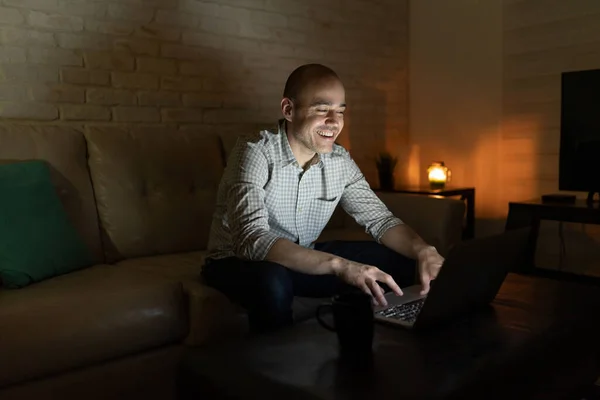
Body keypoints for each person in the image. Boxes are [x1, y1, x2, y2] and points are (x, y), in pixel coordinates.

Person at [202, 64, 444, 333]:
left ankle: (383, 342)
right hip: (236, 263)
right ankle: (276, 367)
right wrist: (340, 266)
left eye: (340, 111)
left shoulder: (339, 160)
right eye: (321, 109)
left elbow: (381, 220)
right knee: (273, 280)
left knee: (401, 260)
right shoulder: (255, 151)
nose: (335, 121)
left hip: (304, 256)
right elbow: (252, 240)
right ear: (288, 110)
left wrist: (424, 250)